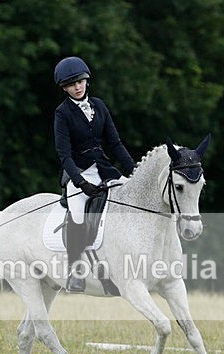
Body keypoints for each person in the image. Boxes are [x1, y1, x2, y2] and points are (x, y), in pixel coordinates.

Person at [53, 56, 136, 293]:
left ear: (86, 80)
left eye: (80, 81)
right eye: (71, 85)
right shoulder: (62, 113)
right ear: (65, 88)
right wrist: (79, 183)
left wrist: (134, 172)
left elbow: (116, 143)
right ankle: (75, 270)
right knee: (78, 213)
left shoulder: (99, 105)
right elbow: (64, 155)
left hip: (105, 170)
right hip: (78, 173)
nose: (77, 87)